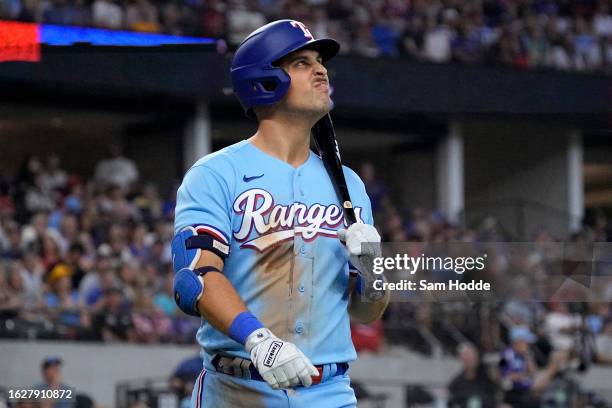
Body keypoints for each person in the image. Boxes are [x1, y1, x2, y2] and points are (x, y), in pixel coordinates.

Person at [172, 19, 389, 407]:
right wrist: (260, 341)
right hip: (237, 389)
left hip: (330, 391)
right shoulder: (216, 173)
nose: (321, 70)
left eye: (320, 61)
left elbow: (366, 313)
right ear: (264, 80)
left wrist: (374, 274)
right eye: (302, 63)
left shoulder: (349, 186)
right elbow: (195, 279)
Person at [448, 343, 497, 408]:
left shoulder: (486, 377)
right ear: (462, 359)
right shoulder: (456, 383)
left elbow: (495, 397)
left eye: (473, 356)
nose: (471, 359)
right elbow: (452, 403)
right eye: (467, 357)